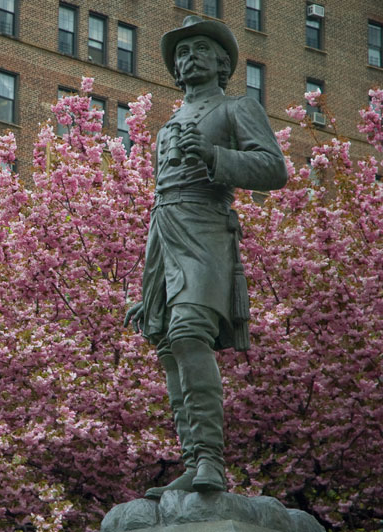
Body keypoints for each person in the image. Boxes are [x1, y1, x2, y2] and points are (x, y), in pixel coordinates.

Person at [124, 15, 288, 498]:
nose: (187, 57)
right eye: (181, 51)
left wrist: (216, 156)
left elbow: (274, 168)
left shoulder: (239, 108)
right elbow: (162, 201)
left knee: (189, 332)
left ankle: (211, 460)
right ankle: (194, 460)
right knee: (169, 345)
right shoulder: (166, 127)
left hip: (208, 229)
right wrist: (148, 283)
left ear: (222, 62)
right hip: (166, 234)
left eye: (199, 48)